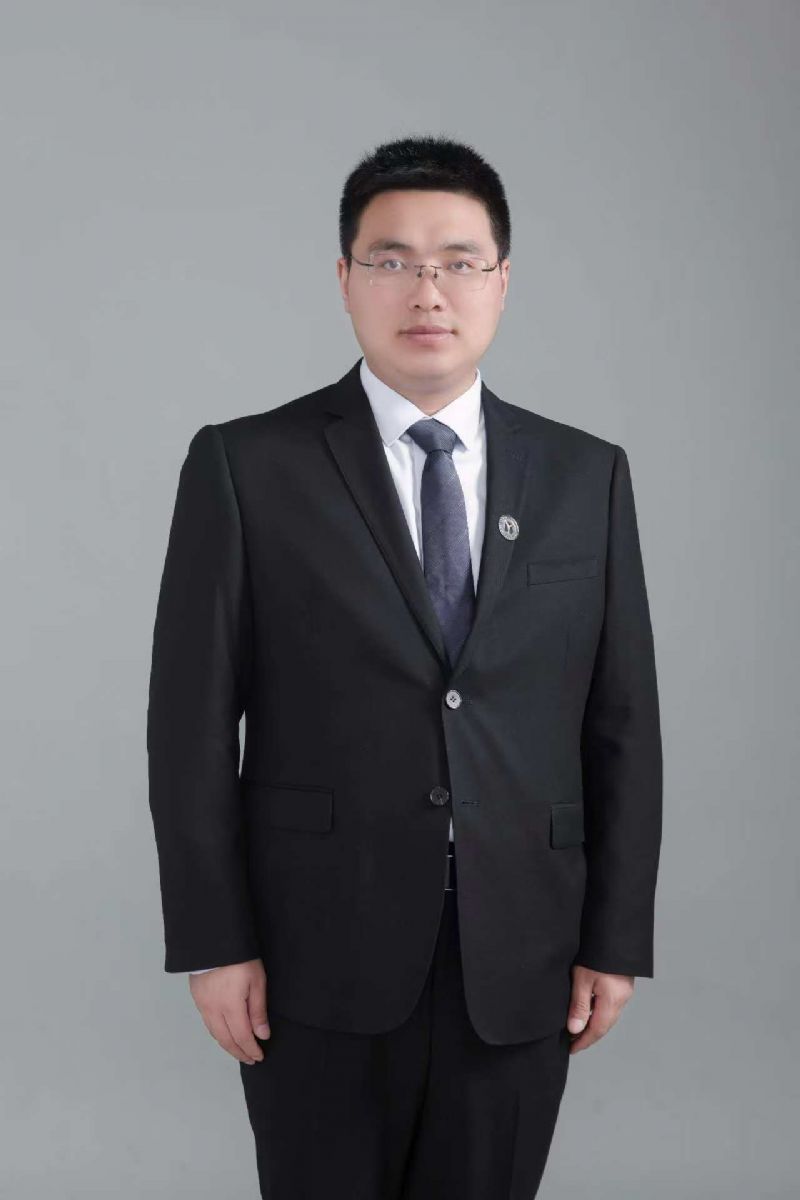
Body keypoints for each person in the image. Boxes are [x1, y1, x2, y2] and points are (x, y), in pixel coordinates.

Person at [146, 133, 663, 1199]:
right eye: (391, 260)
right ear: (344, 278)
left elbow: (622, 725)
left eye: (458, 261)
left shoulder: (585, 476)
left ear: (502, 281)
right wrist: (213, 942)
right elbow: (188, 728)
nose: (427, 290)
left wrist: (613, 939)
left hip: (520, 951)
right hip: (313, 951)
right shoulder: (247, 466)